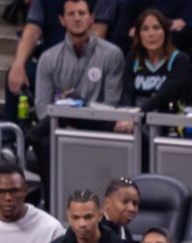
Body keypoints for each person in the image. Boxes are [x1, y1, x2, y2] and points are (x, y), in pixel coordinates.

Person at [31, 0, 124, 198]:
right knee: (43, 141)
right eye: (71, 14)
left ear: (91, 18)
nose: (77, 18)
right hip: (60, 129)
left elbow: (111, 104)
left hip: (98, 127)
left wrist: (76, 121)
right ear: (62, 20)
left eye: (82, 13)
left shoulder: (112, 54)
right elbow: (41, 108)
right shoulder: (48, 58)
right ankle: (51, 201)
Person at [6, 0, 117, 103]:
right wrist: (18, 64)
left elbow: (97, 34)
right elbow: (33, 28)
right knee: (16, 75)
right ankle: (13, 123)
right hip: (51, 62)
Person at [116, 9, 191, 126]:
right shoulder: (133, 58)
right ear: (139, 35)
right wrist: (126, 115)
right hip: (136, 121)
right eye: (145, 29)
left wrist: (137, 114)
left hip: (167, 121)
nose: (151, 34)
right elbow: (126, 93)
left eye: (156, 28)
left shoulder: (179, 59)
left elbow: (164, 96)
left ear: (165, 32)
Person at [101, 178, 140, 243]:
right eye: (125, 202)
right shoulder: (94, 231)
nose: (131, 208)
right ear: (107, 202)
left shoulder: (126, 233)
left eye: (135, 204)